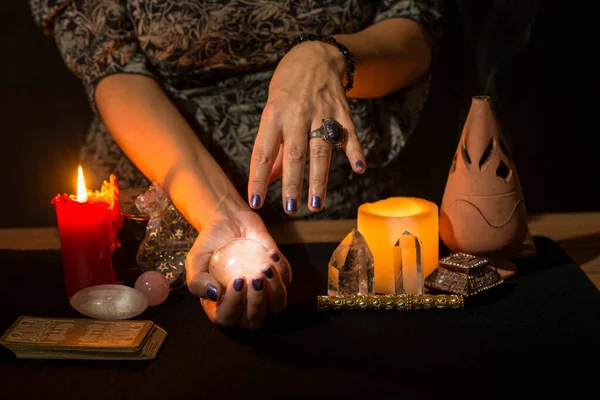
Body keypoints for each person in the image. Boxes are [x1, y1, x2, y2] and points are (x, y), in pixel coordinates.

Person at [30, 0, 442, 329]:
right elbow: (110, 64)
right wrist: (219, 209)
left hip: (340, 227)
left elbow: (415, 28)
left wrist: (329, 59)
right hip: (167, 220)